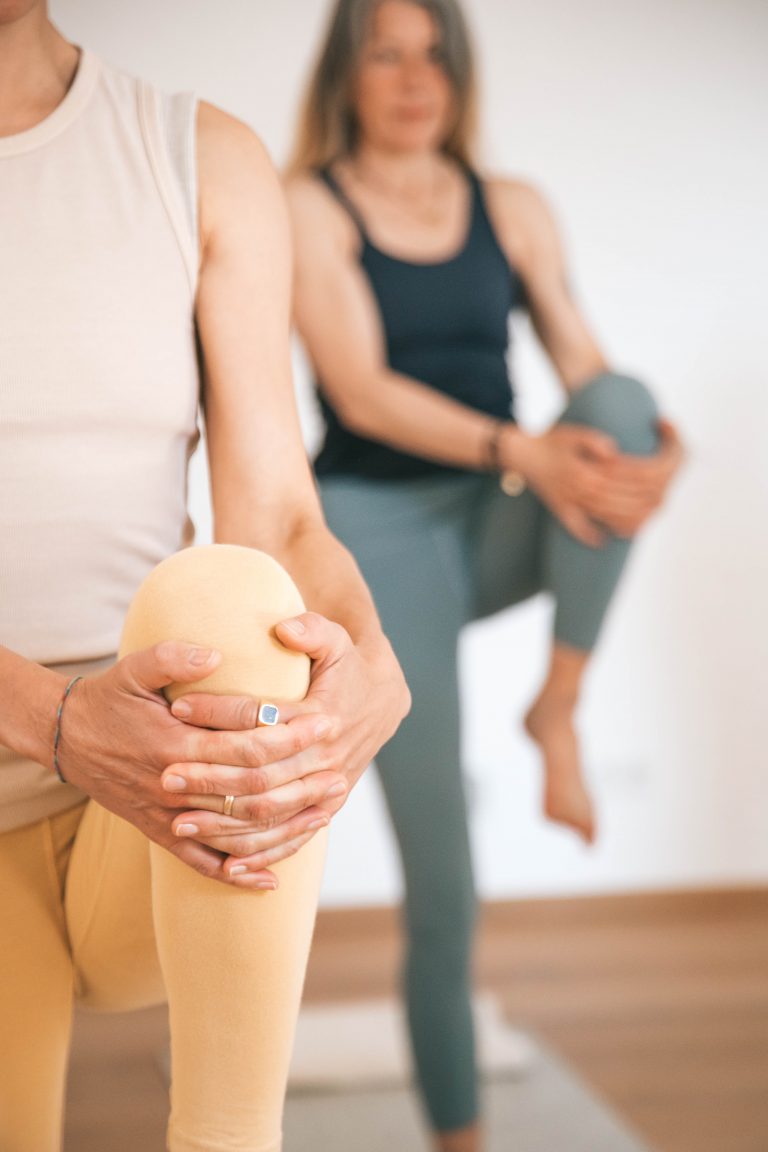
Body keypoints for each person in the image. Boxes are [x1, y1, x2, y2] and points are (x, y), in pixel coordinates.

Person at [0, 4, 409, 1151]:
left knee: (237, 599)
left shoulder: (200, 158)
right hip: (44, 747)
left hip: (150, 809)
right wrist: (55, 720)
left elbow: (278, 515)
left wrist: (368, 659)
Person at [285, 1, 683, 1148]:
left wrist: (658, 450)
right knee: (445, 874)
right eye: (386, 56)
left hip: (494, 516)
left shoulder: (512, 208)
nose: (416, 80)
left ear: (459, 75)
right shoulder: (309, 206)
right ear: (345, 76)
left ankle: (557, 704)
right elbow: (359, 392)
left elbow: (591, 376)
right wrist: (525, 450)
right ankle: (461, 1137)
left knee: (623, 408)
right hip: (375, 531)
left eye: (435, 57)